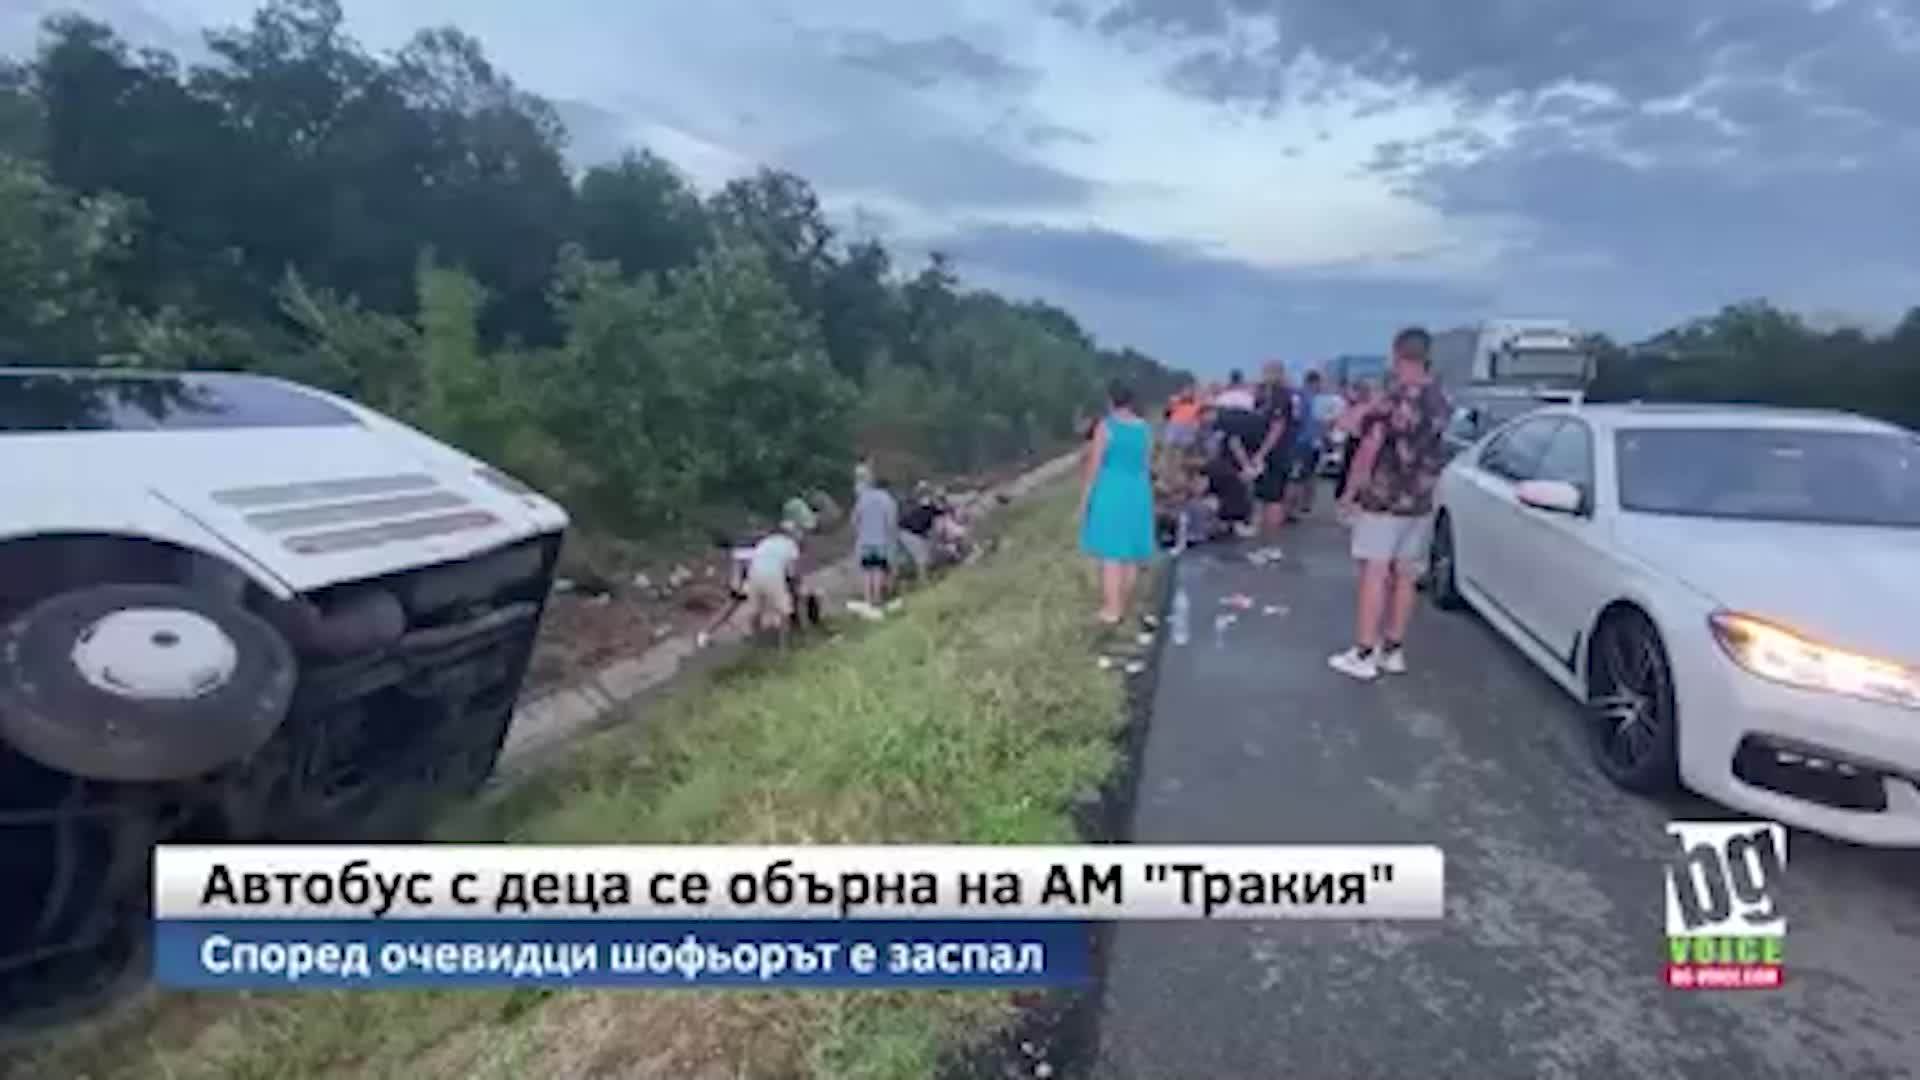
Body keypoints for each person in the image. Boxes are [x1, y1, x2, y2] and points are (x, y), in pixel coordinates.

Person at [1329, 328, 1452, 681]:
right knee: (1405, 574)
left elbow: (1362, 440)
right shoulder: (1441, 398)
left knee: (1375, 572)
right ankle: (1393, 649)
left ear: (1398, 356)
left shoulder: (1393, 400)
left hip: (1383, 498)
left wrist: (1349, 493)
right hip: (1420, 499)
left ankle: (1364, 652)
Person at [1079, 379, 1156, 625]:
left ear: (1110, 400)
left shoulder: (1106, 427)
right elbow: (1146, 464)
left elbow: (1094, 466)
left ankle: (1112, 610)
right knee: (1129, 553)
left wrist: (1085, 499)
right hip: (1138, 491)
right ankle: (1123, 603)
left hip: (1112, 491)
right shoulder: (1145, 428)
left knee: (1111, 553)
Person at [743, 519, 805, 648]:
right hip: (773, 575)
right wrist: (795, 588)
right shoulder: (791, 545)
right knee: (784, 611)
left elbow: (753, 560)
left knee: (755, 609)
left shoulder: (765, 542)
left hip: (753, 574)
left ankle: (756, 642)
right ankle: (784, 646)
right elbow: (792, 573)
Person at [1251, 363, 1295, 534]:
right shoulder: (1264, 395)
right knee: (1262, 495)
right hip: (1267, 453)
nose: (1264, 376)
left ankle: (1272, 539)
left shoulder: (1280, 396)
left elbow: (1277, 428)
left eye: (1268, 372)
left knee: (1273, 498)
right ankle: (1263, 535)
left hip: (1276, 454)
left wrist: (1262, 453)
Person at [851, 471, 900, 617]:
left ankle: (868, 599)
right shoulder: (888, 500)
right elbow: (891, 523)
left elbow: (854, 520)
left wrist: (860, 532)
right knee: (878, 570)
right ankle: (877, 598)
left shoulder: (863, 498)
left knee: (867, 571)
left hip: (864, 541)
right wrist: (892, 541)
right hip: (881, 541)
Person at [1289, 370, 1331, 516]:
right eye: (1320, 383)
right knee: (1306, 476)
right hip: (1308, 442)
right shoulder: (1313, 399)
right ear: (1314, 383)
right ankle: (1302, 506)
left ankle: (1296, 508)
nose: (1321, 386)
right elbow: (1322, 422)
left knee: (1298, 476)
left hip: (1302, 442)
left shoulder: (1299, 397)